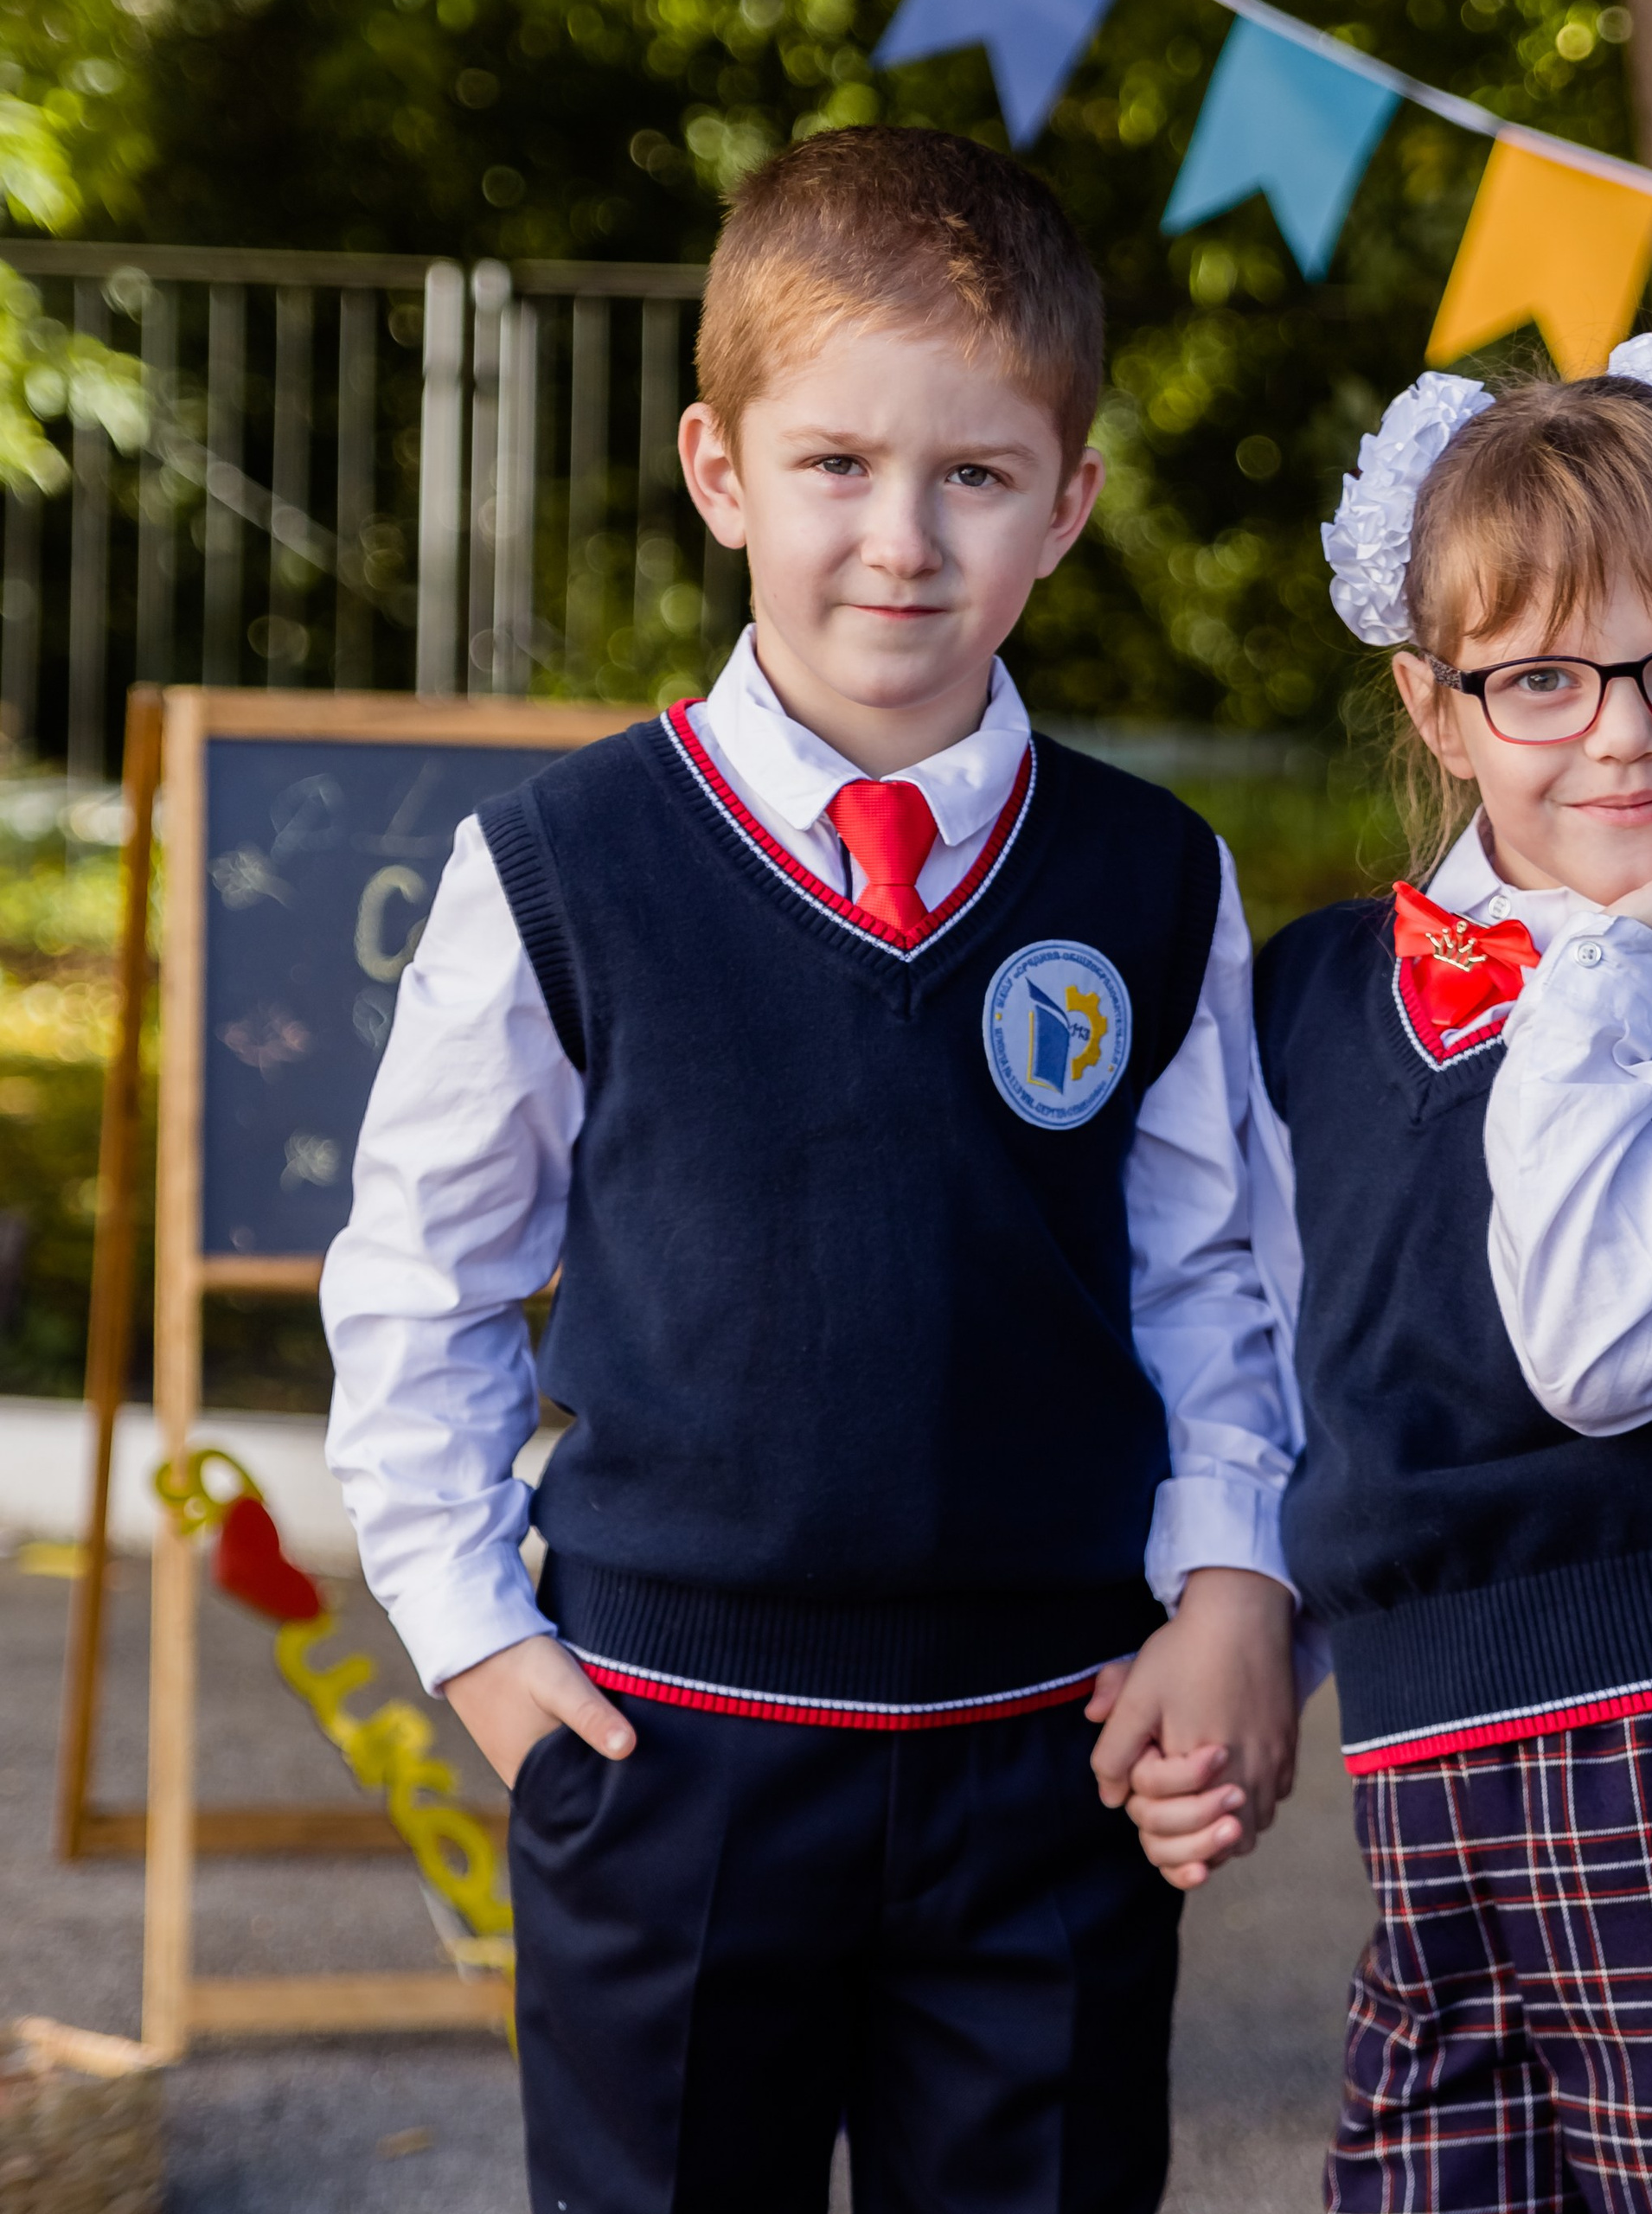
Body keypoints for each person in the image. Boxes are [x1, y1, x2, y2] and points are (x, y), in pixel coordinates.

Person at [321, 125, 1301, 2214]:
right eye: (837, 463)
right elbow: (422, 1279)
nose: (901, 539)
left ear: (1069, 505)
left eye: (973, 475)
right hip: (671, 1755)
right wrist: (482, 1646)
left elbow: (1215, 1276)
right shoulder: (562, 868)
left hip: (1049, 1750)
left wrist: (1232, 1579)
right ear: (719, 472)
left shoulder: (1146, 875)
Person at [1135, 332, 1652, 2209]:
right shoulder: (1302, 994)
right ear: (1434, 711)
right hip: (1429, 1799)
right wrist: (1235, 1629)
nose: (1620, 727)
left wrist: (1606, 980)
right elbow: (1282, 1369)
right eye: (1540, 676)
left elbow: (1591, 1342)